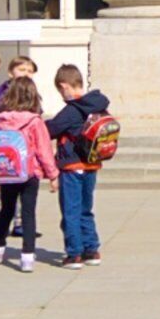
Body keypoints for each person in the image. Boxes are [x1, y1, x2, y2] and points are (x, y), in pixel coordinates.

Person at [0, 75, 60, 268]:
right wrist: (53, 174)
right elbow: (44, 150)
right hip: (29, 172)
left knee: (6, 210)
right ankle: (27, 256)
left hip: (5, 171)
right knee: (28, 213)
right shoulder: (35, 122)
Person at [48, 63, 112, 268]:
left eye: (60, 90)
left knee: (71, 210)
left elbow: (51, 129)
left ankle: (74, 253)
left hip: (72, 166)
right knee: (86, 208)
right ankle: (91, 250)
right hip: (92, 164)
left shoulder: (72, 110)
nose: (61, 95)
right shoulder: (98, 105)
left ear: (65, 86)